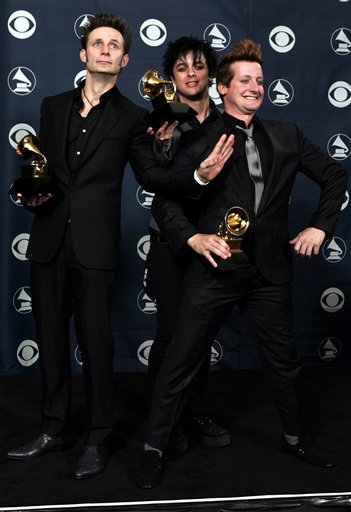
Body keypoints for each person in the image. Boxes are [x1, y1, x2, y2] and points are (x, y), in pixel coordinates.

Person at [6, 13, 234, 480]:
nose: (105, 50)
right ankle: (53, 429)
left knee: (96, 345)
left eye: (114, 46)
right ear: (84, 54)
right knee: (49, 342)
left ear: (125, 60)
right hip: (48, 242)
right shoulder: (50, 107)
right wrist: (32, 191)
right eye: (98, 44)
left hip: (95, 250)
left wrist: (196, 175)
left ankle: (97, 437)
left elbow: (151, 175)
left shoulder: (134, 118)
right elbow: (44, 173)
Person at [136, 38, 347, 488]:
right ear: (223, 88)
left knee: (285, 363)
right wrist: (192, 236)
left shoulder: (286, 135)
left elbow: (334, 174)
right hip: (213, 270)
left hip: (269, 272)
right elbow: (166, 200)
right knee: (181, 362)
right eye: (245, 80)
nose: (254, 87)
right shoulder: (197, 139)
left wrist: (320, 228)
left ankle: (296, 439)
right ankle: (154, 449)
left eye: (260, 81)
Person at [146, 36, 231, 449]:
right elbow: (158, 182)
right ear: (171, 77)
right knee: (169, 334)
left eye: (198, 65)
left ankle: (193, 410)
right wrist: (162, 143)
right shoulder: (161, 121)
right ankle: (162, 419)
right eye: (182, 67)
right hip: (171, 242)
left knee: (200, 335)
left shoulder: (227, 120)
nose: (192, 73)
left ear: (211, 73)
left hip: (216, 242)